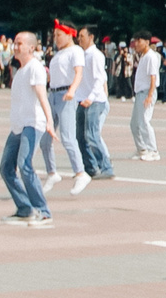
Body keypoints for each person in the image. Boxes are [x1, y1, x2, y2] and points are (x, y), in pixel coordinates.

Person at [0, 31, 54, 228]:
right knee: (6, 168)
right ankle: (24, 209)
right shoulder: (21, 71)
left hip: (32, 124)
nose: (15, 46)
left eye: (19, 43)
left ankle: (43, 212)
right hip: (18, 126)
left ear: (31, 47)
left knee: (25, 165)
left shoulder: (35, 68)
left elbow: (42, 96)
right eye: (14, 43)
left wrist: (49, 121)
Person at [43, 22, 84, 191]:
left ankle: (80, 173)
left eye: (59, 35)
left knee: (67, 137)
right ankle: (52, 173)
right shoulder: (58, 54)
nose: (56, 38)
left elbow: (79, 73)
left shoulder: (75, 51)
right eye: (54, 35)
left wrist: (72, 90)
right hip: (52, 94)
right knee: (45, 139)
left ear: (69, 35)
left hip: (65, 95)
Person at [74, 27, 114, 180]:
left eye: (82, 36)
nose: (79, 39)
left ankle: (106, 167)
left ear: (91, 37)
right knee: (80, 136)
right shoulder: (81, 54)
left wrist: (90, 97)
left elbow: (99, 79)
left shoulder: (96, 55)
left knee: (91, 134)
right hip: (82, 99)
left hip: (94, 100)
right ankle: (90, 167)